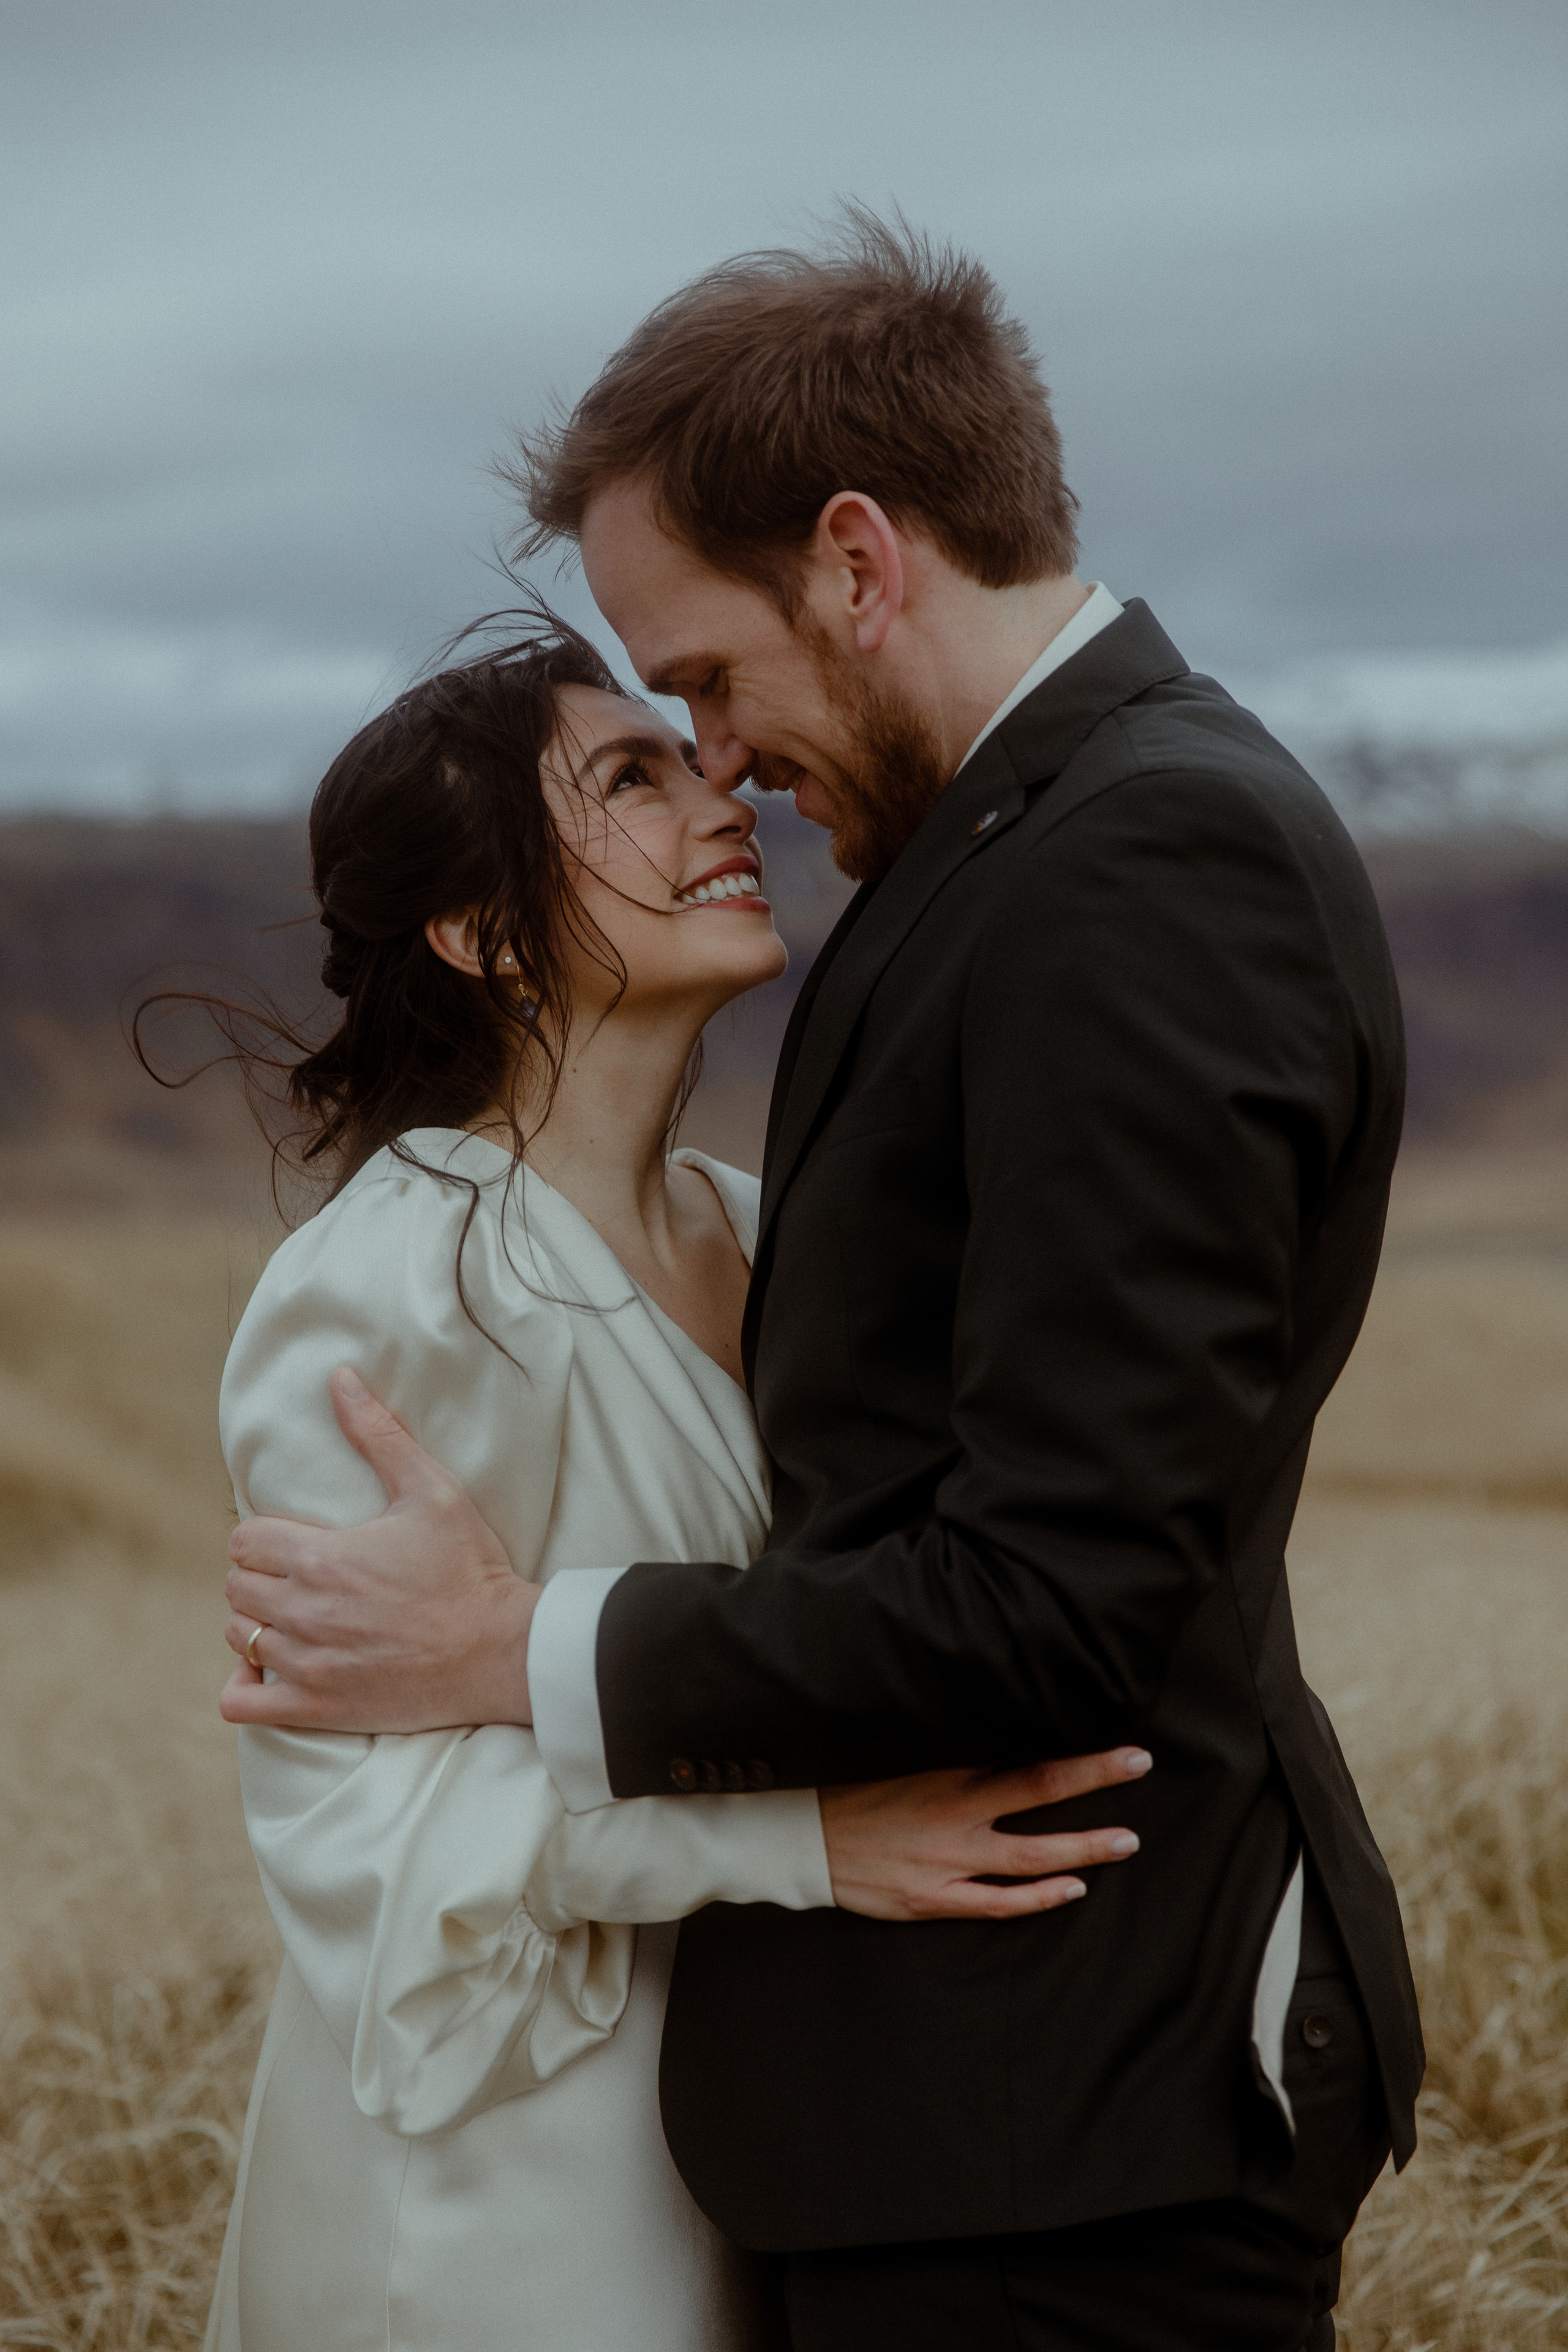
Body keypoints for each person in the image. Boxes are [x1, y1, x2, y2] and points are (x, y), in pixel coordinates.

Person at [221, 217, 1423, 2350]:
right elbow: (350, 1802)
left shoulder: (1133, 860)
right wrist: (774, 1837)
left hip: (1073, 2110)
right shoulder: (995, 866)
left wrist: (515, 1649)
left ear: (860, 564)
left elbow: (1063, 1582)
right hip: (695, 2152)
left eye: (701, 680)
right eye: (652, 736)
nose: (723, 769)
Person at [192, 614, 1144, 2352]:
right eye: (629, 776)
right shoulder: (400, 1278)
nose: (722, 792)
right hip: (492, 2165)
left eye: (690, 750)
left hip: (732, 2113)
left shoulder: (759, 1231)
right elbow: (364, 1843)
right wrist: (804, 1839)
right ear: (481, 932)